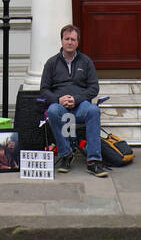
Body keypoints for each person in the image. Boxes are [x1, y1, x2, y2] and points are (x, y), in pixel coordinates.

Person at [39, 23, 109, 177]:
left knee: (93, 110)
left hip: (80, 105)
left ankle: (93, 161)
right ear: (62, 41)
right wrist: (58, 99)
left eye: (73, 39)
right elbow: (44, 89)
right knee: (52, 111)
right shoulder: (52, 63)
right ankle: (66, 154)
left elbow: (93, 88)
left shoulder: (86, 62)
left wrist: (76, 99)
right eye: (67, 39)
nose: (69, 42)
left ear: (78, 42)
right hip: (60, 106)